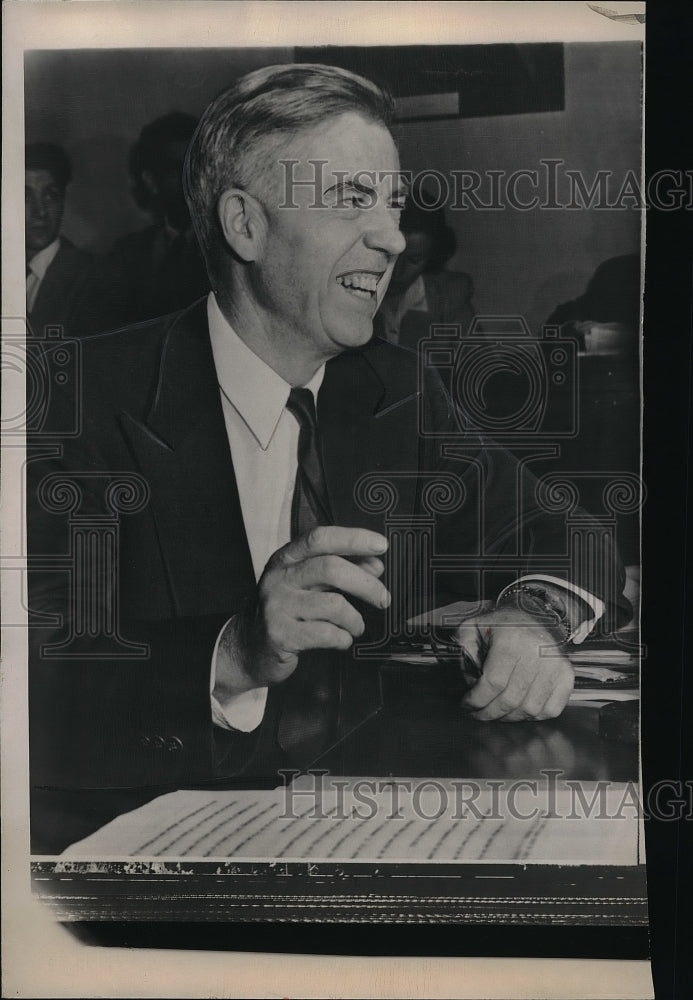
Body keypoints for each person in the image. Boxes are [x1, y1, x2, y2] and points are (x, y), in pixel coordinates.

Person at [27, 64, 629, 852]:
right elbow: (31, 686)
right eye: (351, 200)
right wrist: (233, 654)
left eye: (391, 204)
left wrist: (532, 615)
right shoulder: (72, 402)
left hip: (383, 836)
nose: (389, 237)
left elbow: (569, 532)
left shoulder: (396, 387)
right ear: (244, 226)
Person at [87, 112, 209, 329]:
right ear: (151, 181)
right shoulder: (126, 254)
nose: (192, 180)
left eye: (196, 167)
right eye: (177, 169)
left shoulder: (226, 250)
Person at [375, 192, 475, 350]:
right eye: (391, 256)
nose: (397, 271)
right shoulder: (351, 290)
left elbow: (475, 363)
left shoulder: (451, 294)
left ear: (432, 257)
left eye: (414, 260)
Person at [25, 143, 95, 338]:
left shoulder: (93, 278)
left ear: (64, 198)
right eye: (26, 196)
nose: (40, 212)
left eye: (50, 195)